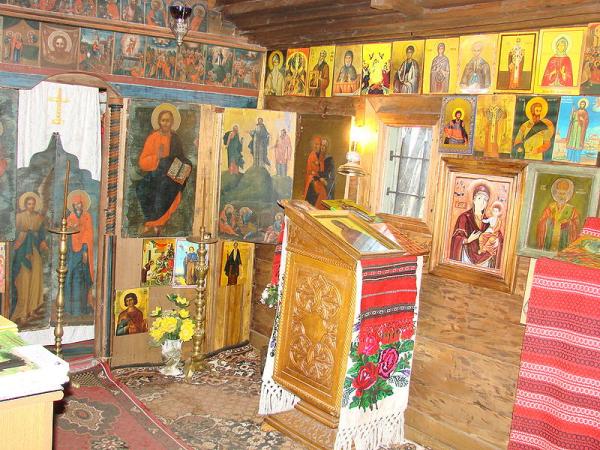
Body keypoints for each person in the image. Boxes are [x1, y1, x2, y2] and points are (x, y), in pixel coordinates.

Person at [135, 106, 191, 236]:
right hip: (155, 173)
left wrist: (187, 164)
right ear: (159, 122)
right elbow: (142, 161)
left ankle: (159, 223)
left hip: (170, 175)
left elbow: (180, 157)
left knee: (167, 187)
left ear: (172, 122)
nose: (165, 123)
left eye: (168, 120)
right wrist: (157, 158)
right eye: (163, 120)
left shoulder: (175, 138)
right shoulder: (152, 138)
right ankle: (152, 222)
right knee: (142, 188)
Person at [10, 193, 49, 324]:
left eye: (33, 204)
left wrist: (42, 241)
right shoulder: (19, 217)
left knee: (35, 279)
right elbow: (14, 233)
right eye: (29, 204)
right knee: (24, 281)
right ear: (25, 204)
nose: (31, 206)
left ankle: (32, 309)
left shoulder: (38, 218)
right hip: (22, 251)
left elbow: (42, 234)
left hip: (34, 250)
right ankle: (22, 312)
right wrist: (24, 232)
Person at [449, 184, 502, 268]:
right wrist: (467, 240)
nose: (482, 202)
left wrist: (497, 241)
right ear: (474, 200)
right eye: (479, 198)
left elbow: (498, 236)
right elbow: (456, 238)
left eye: (485, 200)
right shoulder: (464, 217)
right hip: (466, 258)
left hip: (485, 260)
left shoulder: (488, 221)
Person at [64, 191, 94, 316]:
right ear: (73, 205)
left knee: (83, 279)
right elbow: (66, 233)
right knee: (70, 278)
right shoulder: (70, 217)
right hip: (72, 252)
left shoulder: (87, 216)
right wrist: (72, 227)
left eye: (80, 204)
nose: (78, 206)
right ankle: (70, 309)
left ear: (83, 204)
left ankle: (82, 308)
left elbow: (88, 234)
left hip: (83, 251)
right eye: (75, 204)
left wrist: (85, 251)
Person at [536, 178, 580, 252]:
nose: (561, 196)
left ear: (568, 194)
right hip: (549, 240)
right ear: (556, 193)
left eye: (564, 193)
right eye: (559, 193)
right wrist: (550, 221)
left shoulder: (572, 210)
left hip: (564, 240)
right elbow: (541, 223)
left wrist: (569, 224)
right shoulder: (550, 207)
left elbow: (576, 226)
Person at [303, 136, 327, 207]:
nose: (316, 146)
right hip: (312, 180)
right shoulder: (312, 155)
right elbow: (311, 171)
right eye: (315, 144)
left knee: (323, 193)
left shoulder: (321, 156)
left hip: (318, 180)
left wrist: (322, 178)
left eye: (318, 144)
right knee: (317, 193)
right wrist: (320, 178)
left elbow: (321, 169)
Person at [565, 99, 590, 163]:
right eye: (581, 104)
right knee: (572, 141)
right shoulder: (576, 111)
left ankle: (576, 159)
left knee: (578, 143)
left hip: (580, 129)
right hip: (573, 128)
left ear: (585, 105)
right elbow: (571, 119)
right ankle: (569, 158)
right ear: (579, 104)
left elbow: (587, 121)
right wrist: (572, 112)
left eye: (583, 104)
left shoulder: (585, 112)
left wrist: (583, 120)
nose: (582, 105)